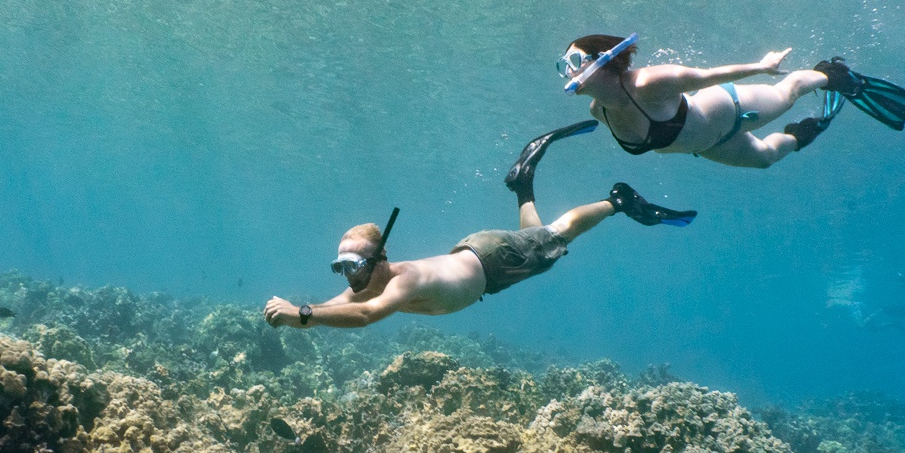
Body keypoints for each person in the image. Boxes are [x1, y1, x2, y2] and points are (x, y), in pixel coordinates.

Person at [262, 126, 692, 329]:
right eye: (340, 267)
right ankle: (523, 185)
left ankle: (616, 201)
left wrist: (302, 314)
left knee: (558, 235)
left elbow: (367, 315)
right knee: (537, 240)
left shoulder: (401, 281)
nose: (348, 275)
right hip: (482, 257)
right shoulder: (367, 282)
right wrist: (302, 312)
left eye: (354, 264)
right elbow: (342, 303)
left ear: (380, 258)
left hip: (493, 258)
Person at [547, 32, 905, 169]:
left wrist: (762, 66)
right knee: (765, 160)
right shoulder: (599, 110)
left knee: (785, 94)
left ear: (605, 60)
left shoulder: (647, 83)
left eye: (576, 62)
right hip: (709, 146)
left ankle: (832, 76)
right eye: (564, 66)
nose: (569, 72)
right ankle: (808, 132)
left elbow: (706, 76)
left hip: (727, 109)